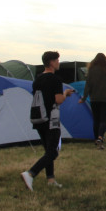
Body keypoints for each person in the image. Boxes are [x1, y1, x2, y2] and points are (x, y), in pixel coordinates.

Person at [22, 51, 75, 191]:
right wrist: (65, 94)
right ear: (51, 62)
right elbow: (58, 100)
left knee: (47, 150)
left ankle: (51, 179)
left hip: (38, 118)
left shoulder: (37, 79)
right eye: (57, 60)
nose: (58, 62)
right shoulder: (55, 80)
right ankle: (30, 173)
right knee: (53, 152)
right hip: (52, 118)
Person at [79, 52, 106, 149]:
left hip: (94, 99)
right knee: (104, 120)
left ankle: (96, 138)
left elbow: (88, 85)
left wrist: (83, 98)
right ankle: (100, 137)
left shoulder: (91, 70)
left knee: (96, 120)